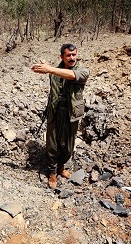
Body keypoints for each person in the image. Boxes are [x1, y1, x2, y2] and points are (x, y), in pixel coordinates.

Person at [31, 44, 89, 188]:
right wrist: (47, 68)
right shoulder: (55, 71)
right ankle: (52, 172)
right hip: (55, 112)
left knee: (68, 146)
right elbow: (54, 73)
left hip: (71, 114)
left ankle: (61, 167)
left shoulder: (82, 71)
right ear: (62, 57)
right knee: (52, 144)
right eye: (68, 55)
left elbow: (72, 76)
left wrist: (49, 69)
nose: (72, 58)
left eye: (74, 55)